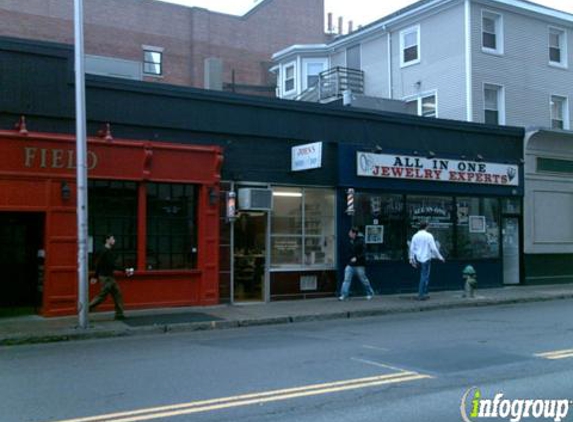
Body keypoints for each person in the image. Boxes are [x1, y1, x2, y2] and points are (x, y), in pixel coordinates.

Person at [89, 234, 126, 320]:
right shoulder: (104, 251)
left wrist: (95, 276)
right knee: (103, 296)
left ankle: (119, 314)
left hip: (109, 276)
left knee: (117, 294)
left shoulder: (108, 251)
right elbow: (101, 264)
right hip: (106, 277)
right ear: (107, 240)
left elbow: (99, 264)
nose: (114, 240)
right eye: (112, 239)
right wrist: (95, 276)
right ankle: (86, 308)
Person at [409, 222, 445, 301]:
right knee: (425, 276)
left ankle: (424, 293)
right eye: (428, 226)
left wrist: (411, 259)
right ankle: (421, 294)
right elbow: (434, 249)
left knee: (424, 276)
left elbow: (411, 249)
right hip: (426, 258)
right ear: (426, 227)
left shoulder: (415, 236)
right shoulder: (429, 236)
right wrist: (440, 257)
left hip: (418, 258)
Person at [339, 227, 375, 301]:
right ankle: (344, 295)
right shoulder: (351, 240)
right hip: (351, 264)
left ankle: (370, 293)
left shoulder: (361, 241)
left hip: (359, 264)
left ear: (354, 233)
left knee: (363, 279)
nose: (349, 234)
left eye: (350, 233)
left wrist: (357, 258)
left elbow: (364, 252)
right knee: (346, 279)